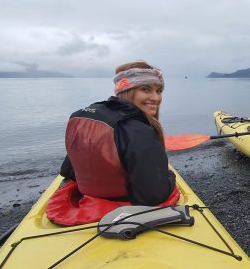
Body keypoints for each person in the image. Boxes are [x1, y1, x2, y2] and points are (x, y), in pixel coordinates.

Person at [46, 61, 179, 225]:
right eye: (145, 89)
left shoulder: (86, 115)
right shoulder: (140, 131)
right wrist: (170, 176)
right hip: (119, 206)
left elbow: (67, 171)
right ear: (126, 90)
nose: (156, 98)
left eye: (159, 91)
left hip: (85, 201)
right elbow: (153, 196)